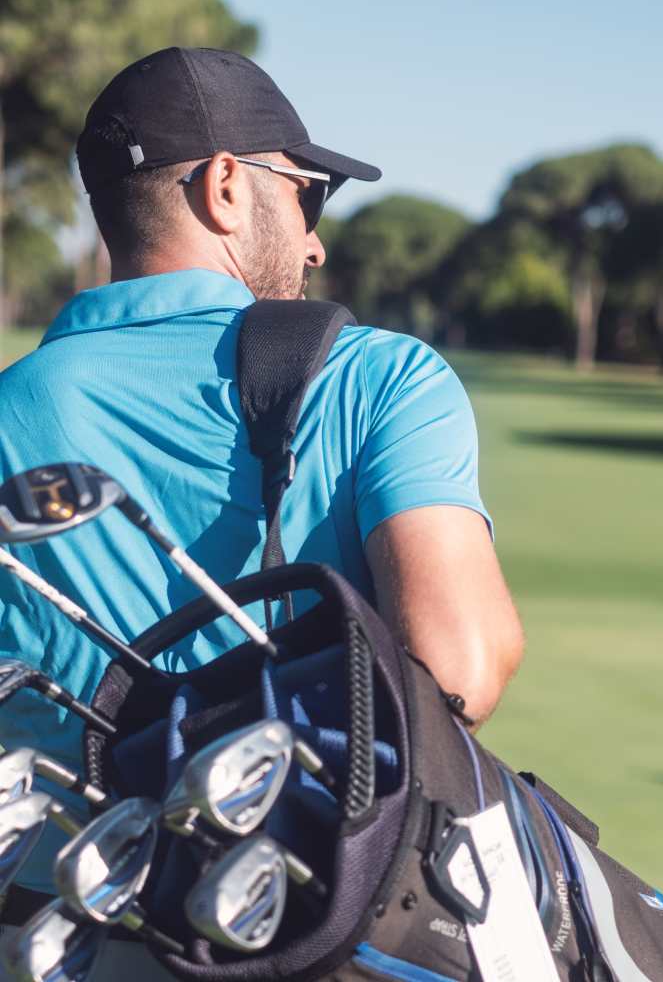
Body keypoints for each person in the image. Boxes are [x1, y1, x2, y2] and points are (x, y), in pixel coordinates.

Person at [0, 47, 523, 973]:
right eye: (305, 195)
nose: (316, 242)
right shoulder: (379, 376)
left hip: (52, 936)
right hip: (307, 929)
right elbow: (462, 672)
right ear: (228, 188)